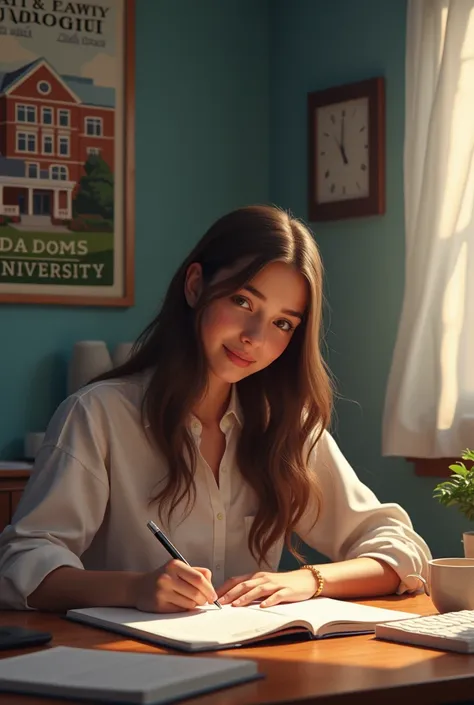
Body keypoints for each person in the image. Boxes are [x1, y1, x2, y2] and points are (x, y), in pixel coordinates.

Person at [0, 205, 430, 613]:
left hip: (254, 668)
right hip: (124, 668)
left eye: (283, 323)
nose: (255, 337)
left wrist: (307, 579)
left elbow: (401, 548)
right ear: (195, 286)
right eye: (243, 302)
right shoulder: (98, 415)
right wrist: (135, 588)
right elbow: (21, 562)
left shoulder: (285, 425)